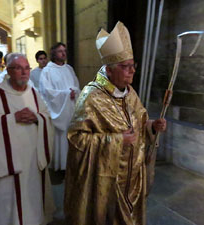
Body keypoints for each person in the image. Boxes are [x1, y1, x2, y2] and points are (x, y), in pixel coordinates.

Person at [64, 22, 167, 225]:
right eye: (125, 67)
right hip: (107, 182)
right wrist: (116, 140)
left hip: (133, 178)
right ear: (109, 71)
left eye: (132, 66)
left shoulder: (130, 93)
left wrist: (152, 126)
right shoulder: (92, 97)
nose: (131, 72)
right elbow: (76, 138)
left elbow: (141, 121)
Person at [0, 53, 55, 225]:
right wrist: (13, 119)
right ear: (9, 70)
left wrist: (37, 118)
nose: (24, 72)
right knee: (8, 201)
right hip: (8, 160)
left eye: (27, 68)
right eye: (19, 68)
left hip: (33, 159)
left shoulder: (33, 93)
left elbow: (47, 117)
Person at [39, 42, 80, 171]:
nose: (63, 53)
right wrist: (66, 94)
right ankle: (59, 166)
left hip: (71, 109)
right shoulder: (47, 71)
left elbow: (77, 86)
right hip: (58, 110)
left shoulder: (69, 69)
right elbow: (46, 92)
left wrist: (74, 92)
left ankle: (70, 164)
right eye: (60, 51)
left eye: (64, 51)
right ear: (53, 54)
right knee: (59, 138)